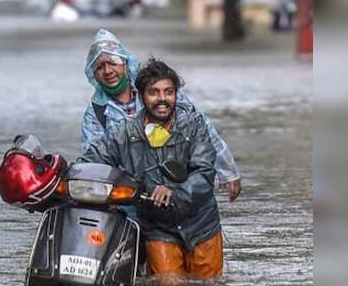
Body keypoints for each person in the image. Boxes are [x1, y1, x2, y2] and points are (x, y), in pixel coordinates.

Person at [80, 58, 224, 279]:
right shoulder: (124, 133)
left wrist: (175, 191)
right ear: (141, 96)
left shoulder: (193, 125)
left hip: (202, 225)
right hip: (157, 228)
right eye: (154, 92)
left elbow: (204, 173)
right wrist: (65, 177)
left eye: (169, 92)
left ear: (176, 94)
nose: (162, 99)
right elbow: (90, 161)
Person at [80, 29, 241, 201]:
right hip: (131, 195)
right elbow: (93, 160)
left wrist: (228, 171)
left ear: (125, 63)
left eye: (113, 62)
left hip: (178, 186)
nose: (108, 71)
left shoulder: (161, 91)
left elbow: (203, 132)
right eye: (99, 67)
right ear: (94, 74)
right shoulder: (95, 113)